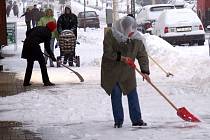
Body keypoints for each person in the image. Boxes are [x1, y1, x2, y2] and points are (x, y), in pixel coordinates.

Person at [101, 16, 151, 128]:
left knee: (132, 93)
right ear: (123, 28)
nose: (130, 35)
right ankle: (118, 121)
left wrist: (145, 71)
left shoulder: (136, 38)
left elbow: (142, 55)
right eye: (128, 32)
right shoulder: (111, 35)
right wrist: (122, 58)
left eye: (132, 32)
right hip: (112, 70)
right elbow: (107, 53)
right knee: (116, 94)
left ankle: (137, 120)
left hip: (127, 71)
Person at [21, 21, 57, 86]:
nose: (55, 29)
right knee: (42, 63)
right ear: (51, 28)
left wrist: (30, 39)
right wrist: (52, 56)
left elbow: (28, 32)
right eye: (54, 28)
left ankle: (26, 82)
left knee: (30, 64)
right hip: (34, 46)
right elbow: (47, 47)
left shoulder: (39, 27)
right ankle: (46, 81)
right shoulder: (48, 33)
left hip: (27, 44)